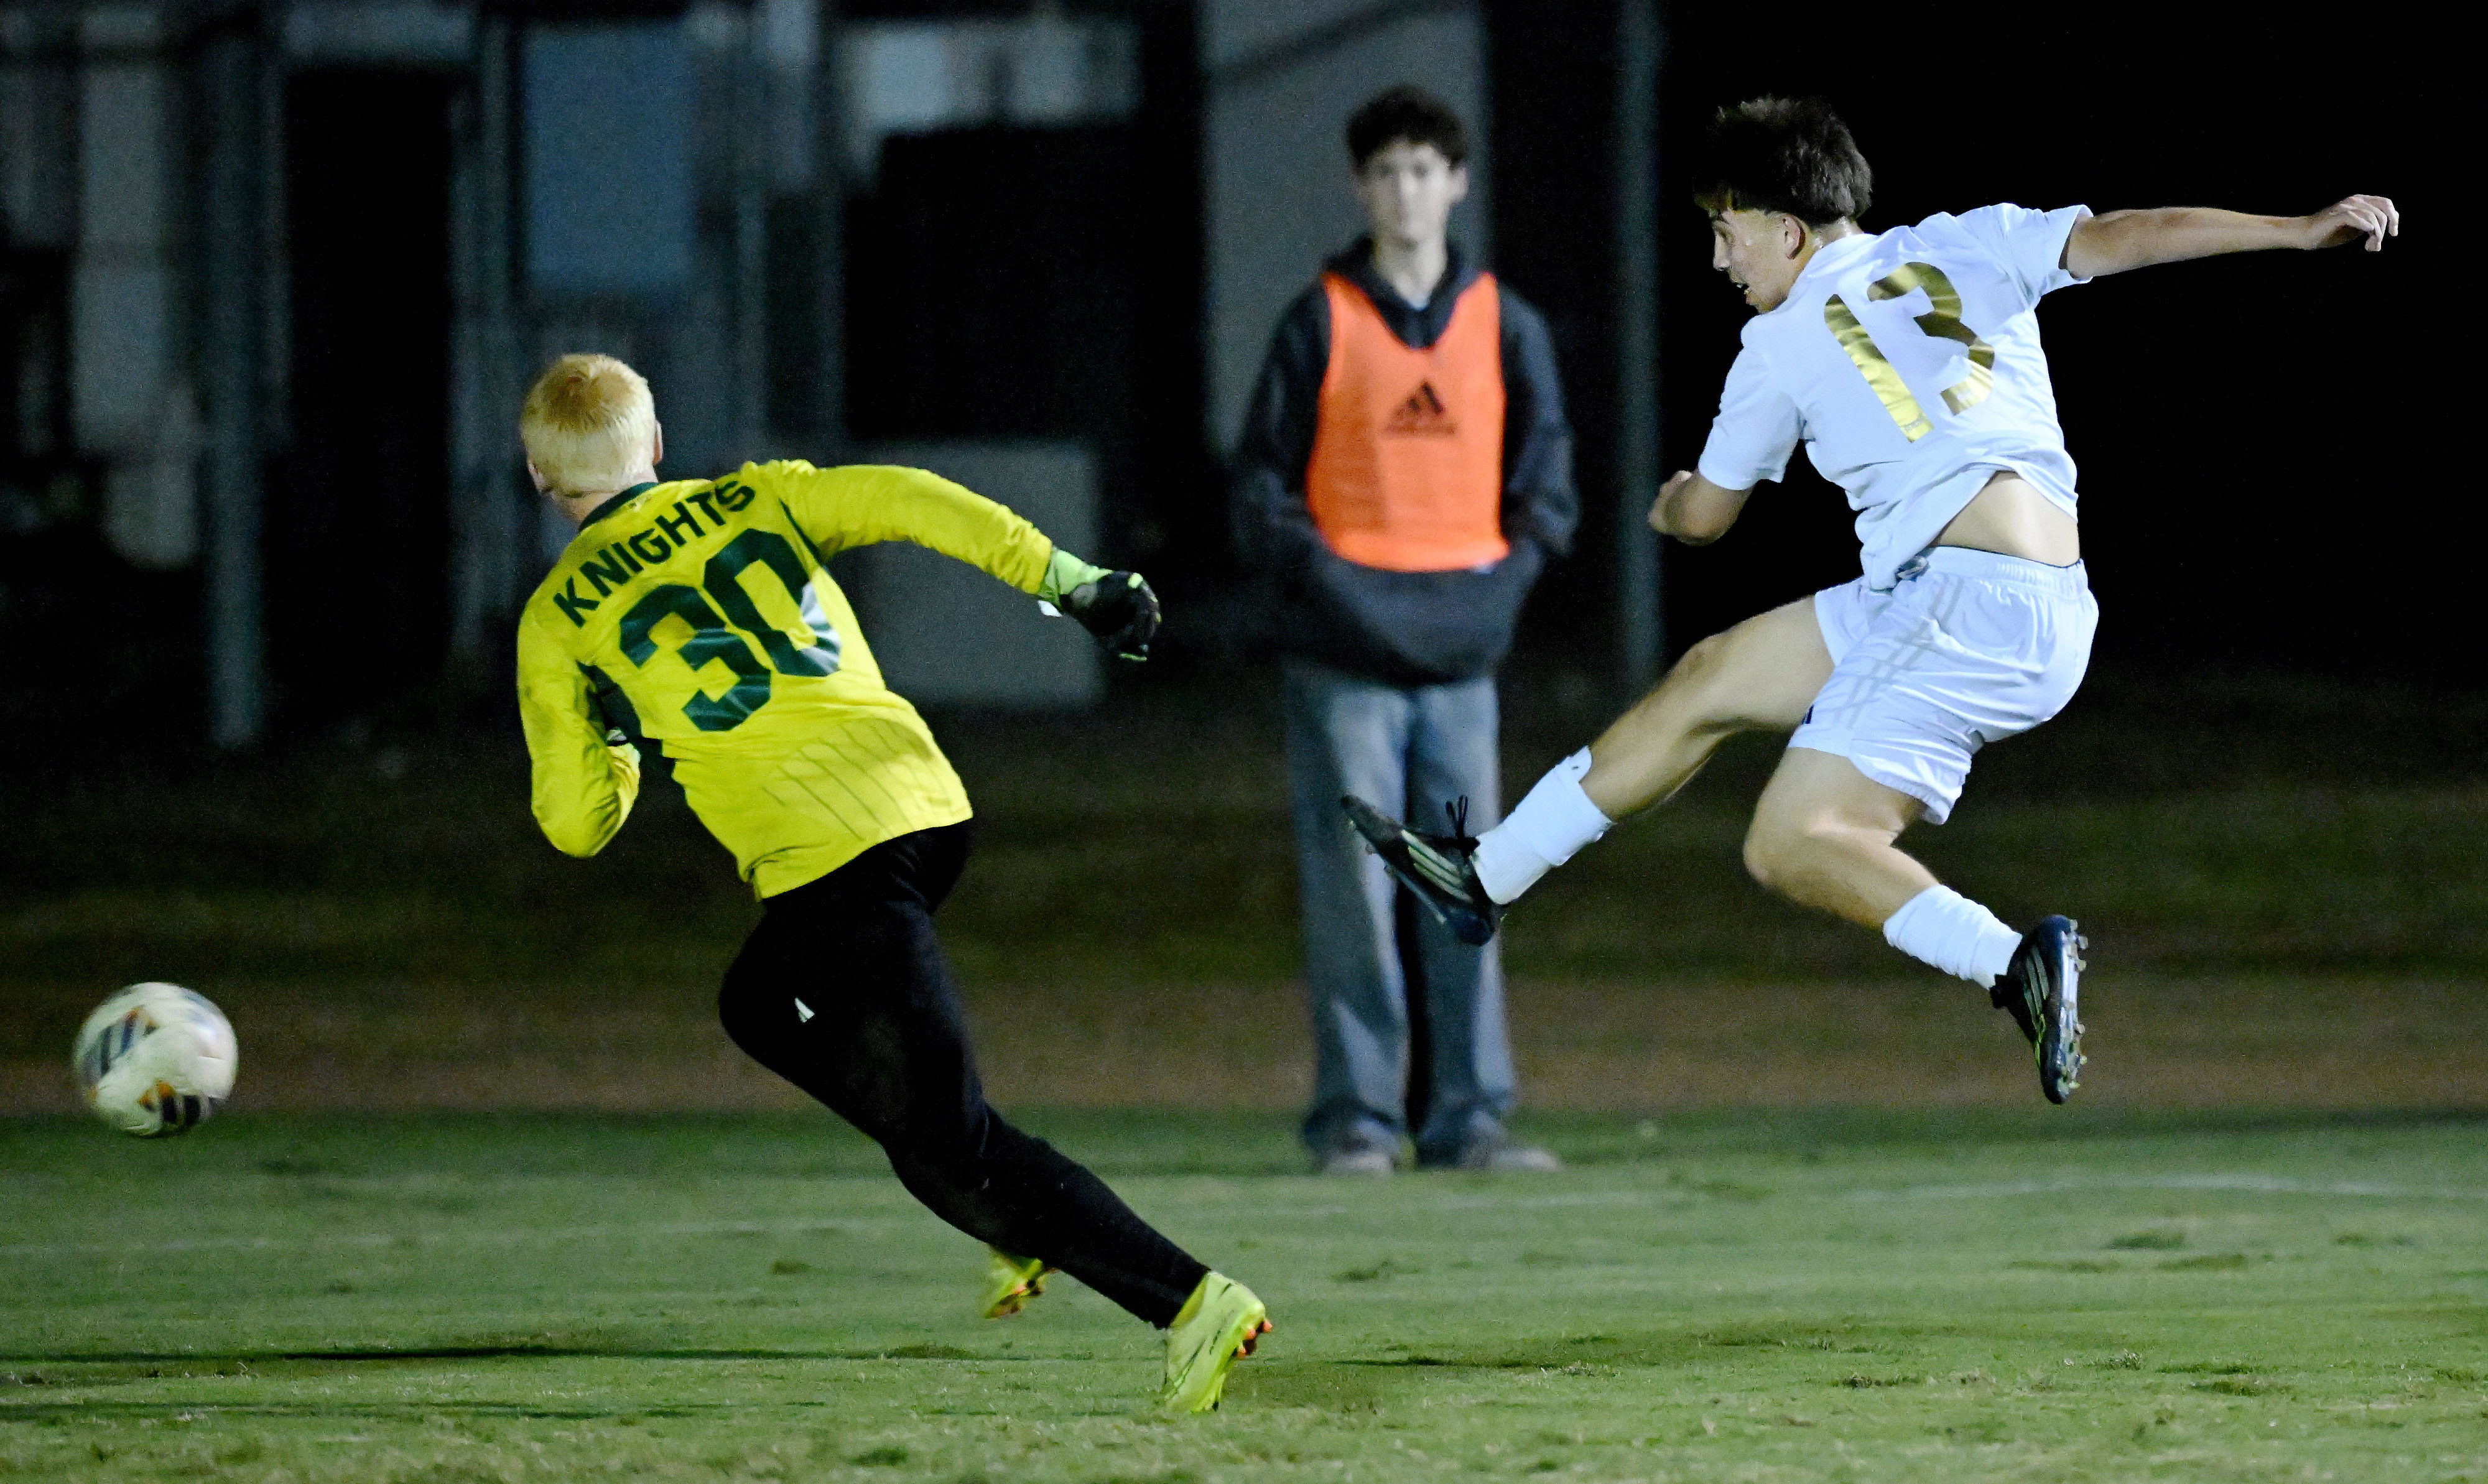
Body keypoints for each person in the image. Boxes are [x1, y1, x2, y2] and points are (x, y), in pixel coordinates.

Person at [1347, 97, 2398, 1105]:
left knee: (1790, 839)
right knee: (1710, 678)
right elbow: (2135, 231)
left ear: (1788, 230)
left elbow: (1707, 520)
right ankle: (1486, 875)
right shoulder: (1968, 238)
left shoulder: (1776, 344)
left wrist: (1667, 508)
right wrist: (2298, 231)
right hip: (1977, 593)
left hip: (1971, 603)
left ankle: (2013, 959)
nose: (1719, 260)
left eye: (1728, 233)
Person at [514, 353, 1269, 1411]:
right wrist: (1066, 578)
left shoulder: (556, 618)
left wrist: (622, 739)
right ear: (655, 446)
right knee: (760, 1004)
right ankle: (1001, 1205)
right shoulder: (756, 494)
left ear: (543, 480)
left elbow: (576, 825)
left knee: (953, 1150)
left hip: (832, 869)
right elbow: (913, 499)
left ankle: (1191, 1302)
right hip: (922, 806)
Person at [1233, 85, 1577, 1175]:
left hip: (1461, 661)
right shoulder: (1321, 318)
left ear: (1456, 183)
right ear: (1361, 187)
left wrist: (1496, 588)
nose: (1405, 189)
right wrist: (1337, 588)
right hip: (1346, 664)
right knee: (1355, 897)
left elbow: (1548, 490)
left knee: (1470, 886)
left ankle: (1470, 1117)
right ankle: (1360, 1121)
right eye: (1385, 171)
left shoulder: (1504, 322)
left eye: (1424, 168)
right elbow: (1261, 491)